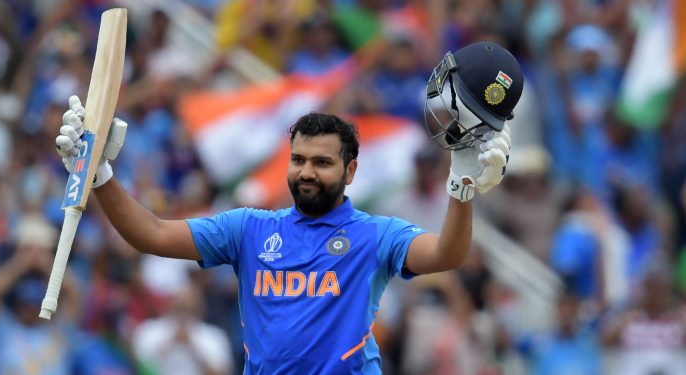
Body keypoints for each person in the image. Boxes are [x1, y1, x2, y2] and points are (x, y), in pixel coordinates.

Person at [55, 41, 523, 374]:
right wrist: (100, 176)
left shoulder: (376, 235)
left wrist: (461, 187)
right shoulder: (249, 229)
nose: (306, 172)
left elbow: (446, 255)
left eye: (322, 163)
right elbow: (152, 234)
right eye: (299, 159)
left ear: (351, 171)